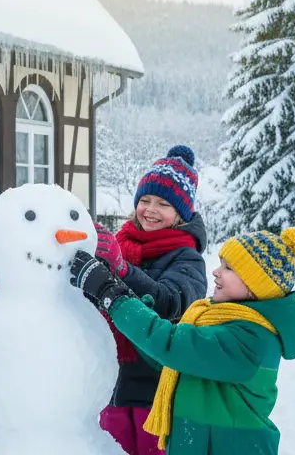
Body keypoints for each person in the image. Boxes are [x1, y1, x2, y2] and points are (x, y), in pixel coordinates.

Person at [70, 227, 295, 455]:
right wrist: (132, 305)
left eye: (229, 268)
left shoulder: (251, 339)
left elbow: (172, 345)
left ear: (255, 285)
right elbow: (168, 358)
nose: (216, 272)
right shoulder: (220, 318)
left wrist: (109, 293)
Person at [93, 145, 209, 455]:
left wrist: (119, 269)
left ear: (181, 214)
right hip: (110, 384)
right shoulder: (120, 243)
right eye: (145, 200)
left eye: (163, 203)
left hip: (157, 390)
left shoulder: (187, 257)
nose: (151, 210)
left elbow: (172, 304)